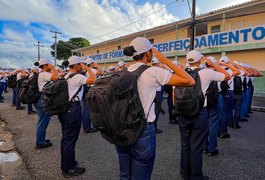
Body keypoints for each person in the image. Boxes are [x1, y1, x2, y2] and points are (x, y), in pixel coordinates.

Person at [117, 37, 195, 180]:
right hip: (143, 129)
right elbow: (190, 80)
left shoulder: (123, 72)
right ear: (148, 53)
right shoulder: (153, 72)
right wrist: (165, 61)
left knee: (124, 174)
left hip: (122, 129)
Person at [179, 51, 230, 180]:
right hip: (199, 112)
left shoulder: (180, 73)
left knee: (185, 144)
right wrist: (212, 63)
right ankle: (196, 175)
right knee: (196, 145)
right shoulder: (206, 72)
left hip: (183, 112)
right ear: (200, 60)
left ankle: (185, 172)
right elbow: (227, 76)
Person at [59, 56, 96, 178]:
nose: (82, 66)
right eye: (81, 64)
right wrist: (88, 69)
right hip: (73, 109)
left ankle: (68, 163)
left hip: (64, 109)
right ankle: (68, 169)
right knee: (70, 139)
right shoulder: (78, 76)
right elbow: (92, 80)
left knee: (66, 138)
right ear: (76, 65)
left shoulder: (67, 75)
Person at [34, 59, 59, 149]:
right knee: (42, 122)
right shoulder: (44, 74)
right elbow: (56, 77)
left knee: (42, 121)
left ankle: (41, 139)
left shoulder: (41, 73)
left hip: (40, 99)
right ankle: (40, 142)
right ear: (45, 65)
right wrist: (53, 67)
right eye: (49, 64)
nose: (51, 66)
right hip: (43, 99)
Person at [218, 56, 239, 138]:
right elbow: (238, 72)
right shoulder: (230, 71)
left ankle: (217, 130)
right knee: (226, 113)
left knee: (219, 113)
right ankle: (223, 131)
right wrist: (229, 65)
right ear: (227, 62)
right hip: (228, 92)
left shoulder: (216, 70)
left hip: (218, 93)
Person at [151, 57, 164, 134]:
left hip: (149, 92)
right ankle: (154, 128)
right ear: (158, 63)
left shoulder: (148, 70)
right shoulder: (159, 71)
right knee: (156, 111)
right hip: (157, 93)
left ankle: (150, 127)